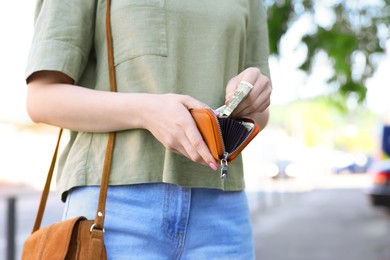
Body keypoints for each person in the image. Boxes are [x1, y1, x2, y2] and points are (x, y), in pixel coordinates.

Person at [25, 0, 272, 258]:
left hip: (221, 212)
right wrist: (147, 112)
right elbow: (41, 98)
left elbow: (261, 116)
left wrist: (253, 99)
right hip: (115, 213)